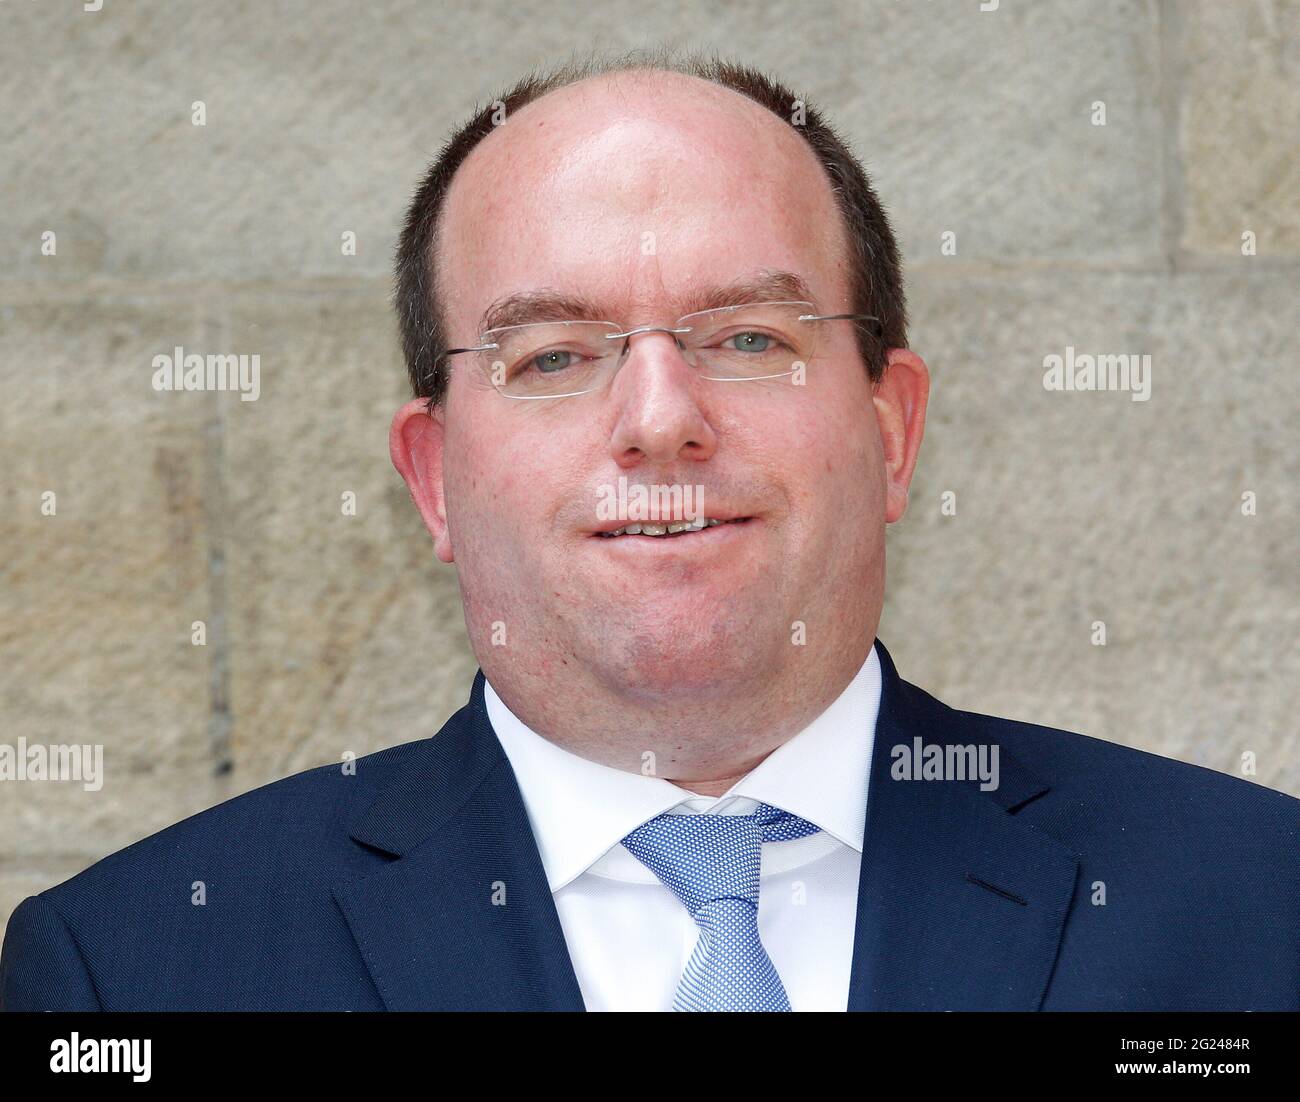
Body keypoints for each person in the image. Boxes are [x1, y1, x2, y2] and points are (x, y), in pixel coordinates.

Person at [3, 51, 1296, 1012]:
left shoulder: (1261, 908)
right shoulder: (135, 972)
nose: (660, 417)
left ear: (893, 431)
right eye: (556, 352)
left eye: (749, 337)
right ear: (433, 475)